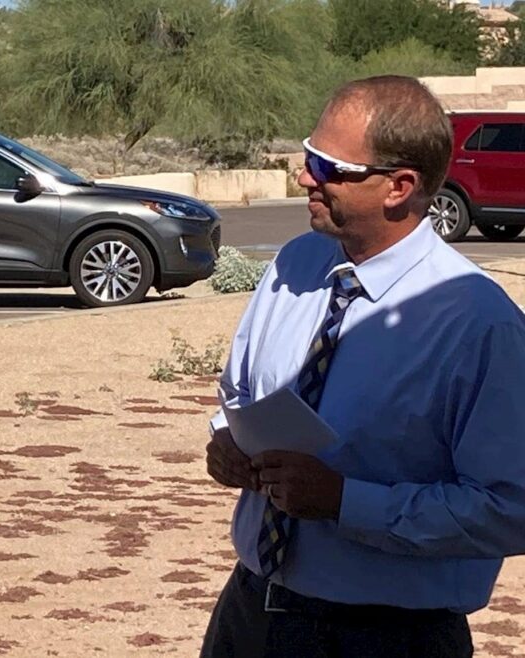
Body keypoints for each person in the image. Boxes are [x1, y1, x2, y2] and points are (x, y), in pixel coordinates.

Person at [201, 75, 525, 657]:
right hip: (250, 613)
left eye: (327, 167)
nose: (305, 177)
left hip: (389, 637)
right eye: (307, 157)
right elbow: (239, 394)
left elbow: (510, 508)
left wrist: (345, 502)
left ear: (399, 187)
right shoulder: (295, 263)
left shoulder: (478, 324)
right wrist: (227, 441)